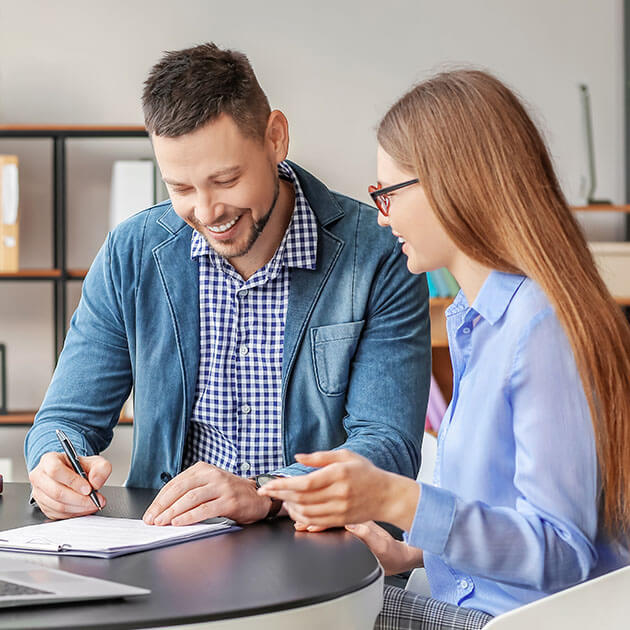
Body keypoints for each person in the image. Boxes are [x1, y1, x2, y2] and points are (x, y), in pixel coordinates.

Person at [258, 69, 630, 629]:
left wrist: (394, 499)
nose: (380, 215)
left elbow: (561, 552)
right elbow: (503, 513)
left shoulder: (539, 328)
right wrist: (411, 553)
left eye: (387, 192)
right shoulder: (480, 322)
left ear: (453, 184)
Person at [24, 43, 430, 525]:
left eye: (226, 179)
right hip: (168, 556)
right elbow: (65, 420)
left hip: (322, 552)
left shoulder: (379, 253)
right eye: (180, 188)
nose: (207, 210)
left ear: (275, 138)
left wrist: (266, 493)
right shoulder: (130, 254)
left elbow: (388, 448)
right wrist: (53, 466)